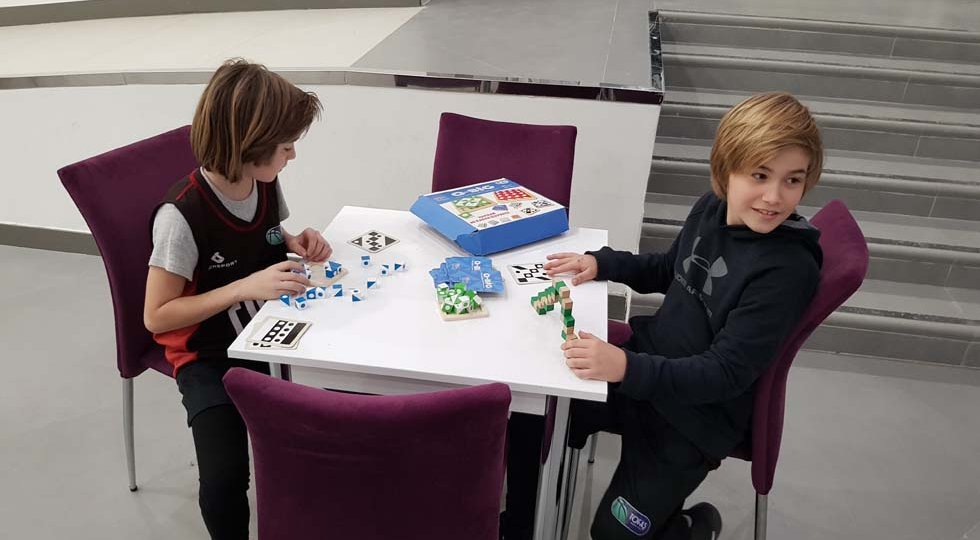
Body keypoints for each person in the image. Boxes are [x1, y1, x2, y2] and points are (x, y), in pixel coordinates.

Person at [502, 92, 824, 540]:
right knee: (531, 417)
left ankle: (694, 526)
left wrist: (625, 367)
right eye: (759, 175)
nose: (774, 197)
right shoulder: (711, 208)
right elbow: (670, 268)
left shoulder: (786, 271)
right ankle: (517, 525)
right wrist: (603, 263)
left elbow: (725, 374)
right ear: (726, 168)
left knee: (614, 534)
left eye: (793, 180)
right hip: (647, 368)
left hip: (694, 418)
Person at [143, 59, 330, 540]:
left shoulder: (261, 180)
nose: (293, 155)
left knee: (337, 412)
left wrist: (293, 241)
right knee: (225, 479)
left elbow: (265, 233)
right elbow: (156, 316)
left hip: (269, 329)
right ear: (250, 145)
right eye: (286, 147)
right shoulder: (180, 217)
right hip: (208, 355)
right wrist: (243, 287)